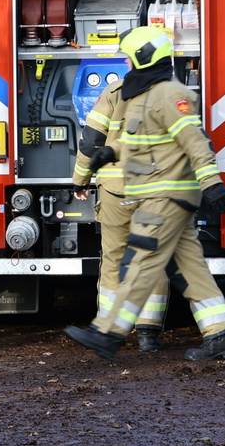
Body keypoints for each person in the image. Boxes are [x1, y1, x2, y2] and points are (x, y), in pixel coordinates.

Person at [65, 26, 225, 361]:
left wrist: (212, 183)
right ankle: (221, 334)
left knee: (142, 259)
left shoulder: (169, 94)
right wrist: (110, 155)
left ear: (143, 59)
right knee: (190, 267)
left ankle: (108, 333)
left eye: (130, 59)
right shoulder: (146, 94)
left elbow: (194, 140)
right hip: (158, 193)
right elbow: (145, 143)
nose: (127, 65)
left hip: (167, 195)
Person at [72, 76, 169, 352]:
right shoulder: (171, 94)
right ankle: (148, 335)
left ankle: (109, 330)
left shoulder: (114, 92)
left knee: (114, 259)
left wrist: (80, 179)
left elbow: (91, 141)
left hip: (116, 191)